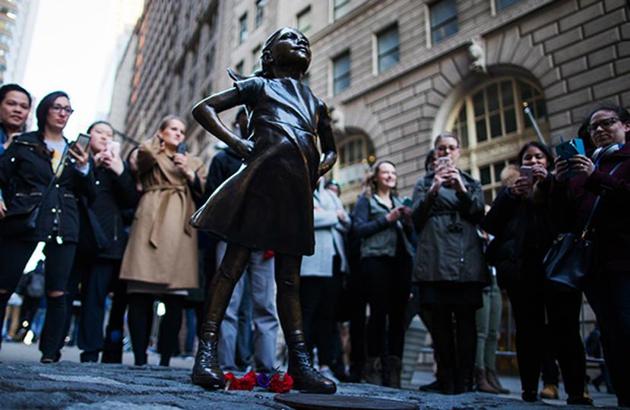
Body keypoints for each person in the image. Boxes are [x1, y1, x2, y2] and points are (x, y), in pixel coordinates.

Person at [189, 27, 337, 393]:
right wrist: (239, 144)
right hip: (258, 187)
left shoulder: (315, 103)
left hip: (294, 194)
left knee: (289, 282)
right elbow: (203, 108)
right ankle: (206, 353)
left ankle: (300, 364)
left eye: (305, 40)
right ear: (269, 56)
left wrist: (318, 167)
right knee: (231, 269)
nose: (301, 41)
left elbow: (331, 148)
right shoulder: (258, 86)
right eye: (290, 37)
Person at [482, 141, 590, 404]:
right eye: (527, 158)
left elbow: (572, 218)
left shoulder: (561, 184)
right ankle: (529, 388)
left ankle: (576, 390)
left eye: (538, 157)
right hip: (524, 271)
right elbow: (490, 224)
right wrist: (510, 196)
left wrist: (553, 184)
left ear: (548, 162)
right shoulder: (513, 191)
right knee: (529, 331)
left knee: (565, 329)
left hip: (559, 267)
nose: (533, 162)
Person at [0, 91, 94, 361]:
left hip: (64, 222)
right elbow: (2, 175)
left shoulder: (76, 150)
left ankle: (51, 352)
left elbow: (90, 193)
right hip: (25, 218)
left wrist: (85, 167)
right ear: (45, 111)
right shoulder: (24, 143)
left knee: (58, 291)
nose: (63, 113)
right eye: (58, 107)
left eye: (68, 109)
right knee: (4, 284)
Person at [550, 103, 630, 408]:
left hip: (624, 258)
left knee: (626, 325)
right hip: (594, 263)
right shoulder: (583, 167)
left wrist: (595, 175)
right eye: (593, 127)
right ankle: (623, 396)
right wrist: (558, 185)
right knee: (610, 332)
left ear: (625, 126)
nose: (598, 131)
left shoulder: (621, 160)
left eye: (606, 123)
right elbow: (565, 218)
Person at [119, 115, 206, 366]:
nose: (178, 133)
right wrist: (157, 142)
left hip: (180, 224)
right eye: (172, 129)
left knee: (175, 296)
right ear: (161, 132)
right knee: (140, 293)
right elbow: (141, 158)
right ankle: (139, 357)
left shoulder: (194, 161)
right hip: (151, 219)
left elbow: (204, 189)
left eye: (182, 130)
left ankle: (166, 358)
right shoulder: (150, 153)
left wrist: (188, 172)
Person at [411, 132, 487, 394]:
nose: (446, 152)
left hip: (467, 259)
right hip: (435, 260)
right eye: (441, 149)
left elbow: (478, 214)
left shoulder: (471, 183)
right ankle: (446, 379)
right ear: (435, 154)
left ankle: (466, 380)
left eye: (451, 148)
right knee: (441, 326)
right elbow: (416, 218)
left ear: (458, 151)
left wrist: (461, 189)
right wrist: (434, 188)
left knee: (466, 324)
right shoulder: (423, 183)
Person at [206, 107, 279, 374]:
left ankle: (266, 366)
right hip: (231, 238)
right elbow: (210, 200)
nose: (249, 122)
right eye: (244, 117)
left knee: (265, 305)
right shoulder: (222, 159)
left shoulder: (273, 157)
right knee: (227, 304)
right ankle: (224, 364)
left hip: (263, 242)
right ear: (237, 124)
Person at [71, 121, 139, 362]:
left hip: (106, 243)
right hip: (76, 237)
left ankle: (90, 350)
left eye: (110, 134)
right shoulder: (76, 157)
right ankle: (52, 346)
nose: (104, 137)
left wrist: (118, 168)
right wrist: (88, 167)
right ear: (88, 135)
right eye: (99, 132)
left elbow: (131, 199)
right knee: (65, 293)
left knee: (95, 296)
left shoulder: (118, 168)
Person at [352, 160, 414, 387]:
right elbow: (357, 229)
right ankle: (374, 368)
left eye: (393, 172)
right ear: (376, 177)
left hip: (401, 263)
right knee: (378, 315)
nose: (390, 176)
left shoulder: (399, 201)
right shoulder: (366, 201)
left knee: (398, 318)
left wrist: (407, 221)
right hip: (376, 261)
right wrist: (386, 220)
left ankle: (394, 371)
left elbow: (412, 237)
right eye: (385, 172)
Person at [300, 177, 350, 383]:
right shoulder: (300, 189)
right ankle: (305, 364)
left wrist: (325, 216)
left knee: (328, 318)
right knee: (307, 316)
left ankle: (325, 365)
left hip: (334, 265)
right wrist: (333, 216)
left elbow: (347, 221)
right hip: (310, 266)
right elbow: (305, 219)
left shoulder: (329, 194)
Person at [0, 83, 31, 156]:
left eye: (24, 107)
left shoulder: (31, 141)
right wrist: (6, 147)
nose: (18, 110)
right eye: (11, 104)